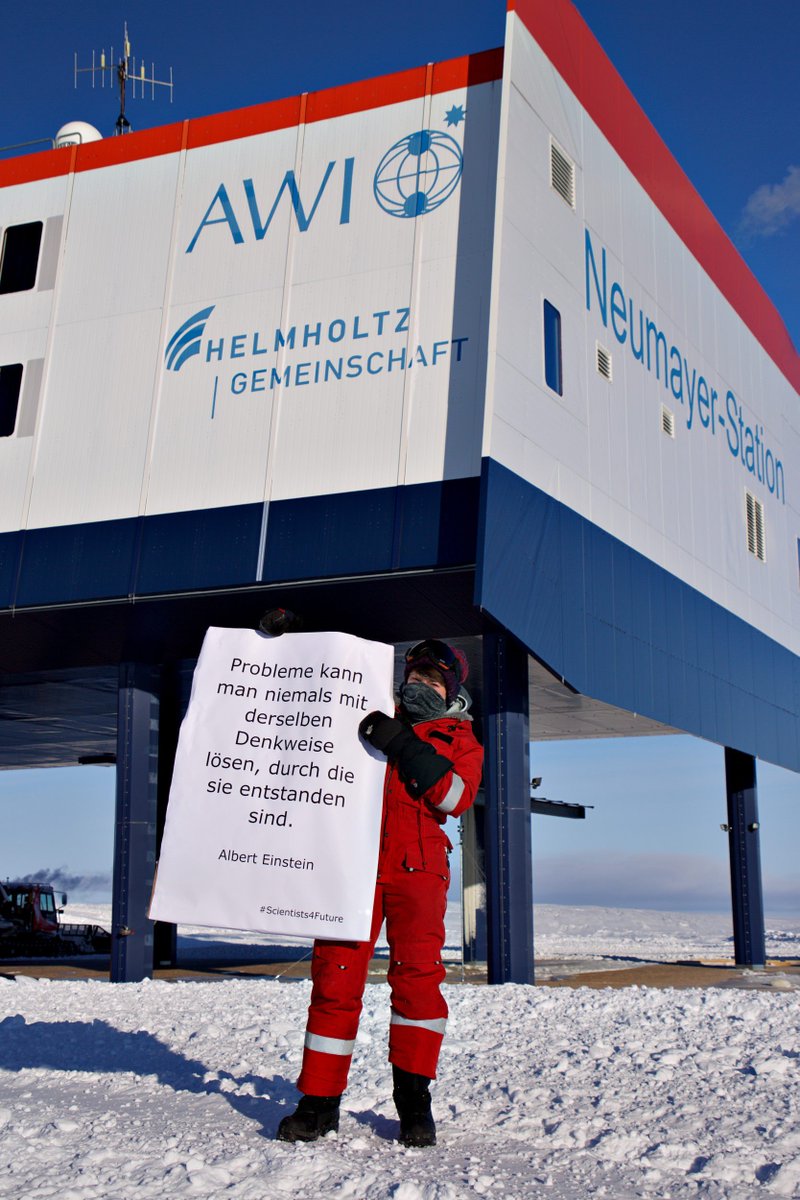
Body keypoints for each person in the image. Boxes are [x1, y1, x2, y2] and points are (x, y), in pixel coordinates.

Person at [276, 638, 483, 1147]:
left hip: (419, 872)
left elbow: (455, 797)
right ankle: (318, 1103)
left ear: (451, 690)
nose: (420, 687)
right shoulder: (362, 714)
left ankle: (414, 1105)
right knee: (335, 979)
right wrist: (279, 642)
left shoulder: (463, 740)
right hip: (355, 870)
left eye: (433, 681)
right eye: (414, 677)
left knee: (418, 986)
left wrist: (403, 744)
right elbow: (306, 700)